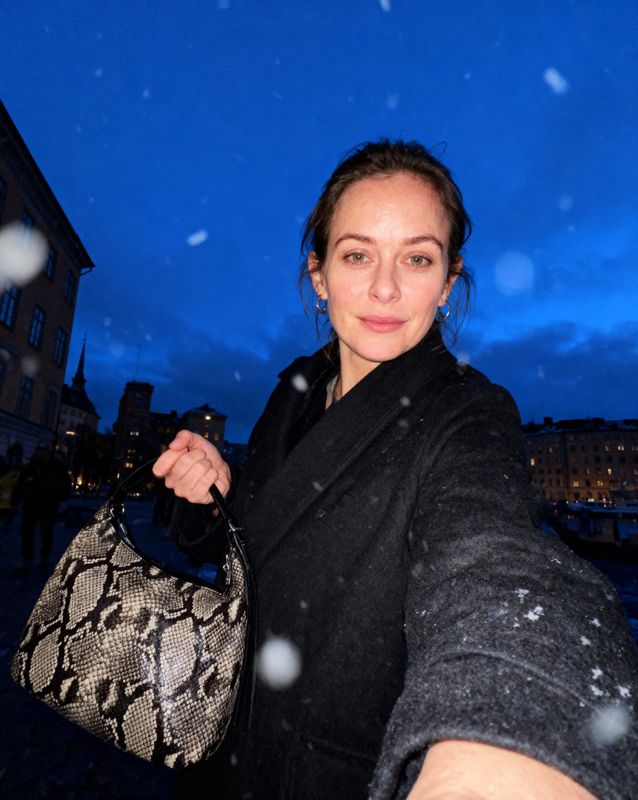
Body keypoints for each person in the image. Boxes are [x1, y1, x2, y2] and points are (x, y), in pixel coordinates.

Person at [153, 140, 638, 800]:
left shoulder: (467, 411)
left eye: (417, 258)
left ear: (447, 281)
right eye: (358, 255)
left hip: (318, 772)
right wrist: (213, 495)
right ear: (319, 276)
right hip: (221, 746)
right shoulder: (293, 390)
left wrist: (510, 726)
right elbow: (242, 548)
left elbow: (491, 556)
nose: (386, 287)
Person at [11, 443, 71, 570]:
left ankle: (44, 557)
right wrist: (15, 501)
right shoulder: (30, 467)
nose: (42, 453)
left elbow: (66, 488)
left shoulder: (58, 468)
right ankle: (27, 558)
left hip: (49, 505)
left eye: (44, 451)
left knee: (46, 533)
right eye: (39, 450)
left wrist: (58, 497)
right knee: (27, 532)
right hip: (31, 504)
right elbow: (20, 485)